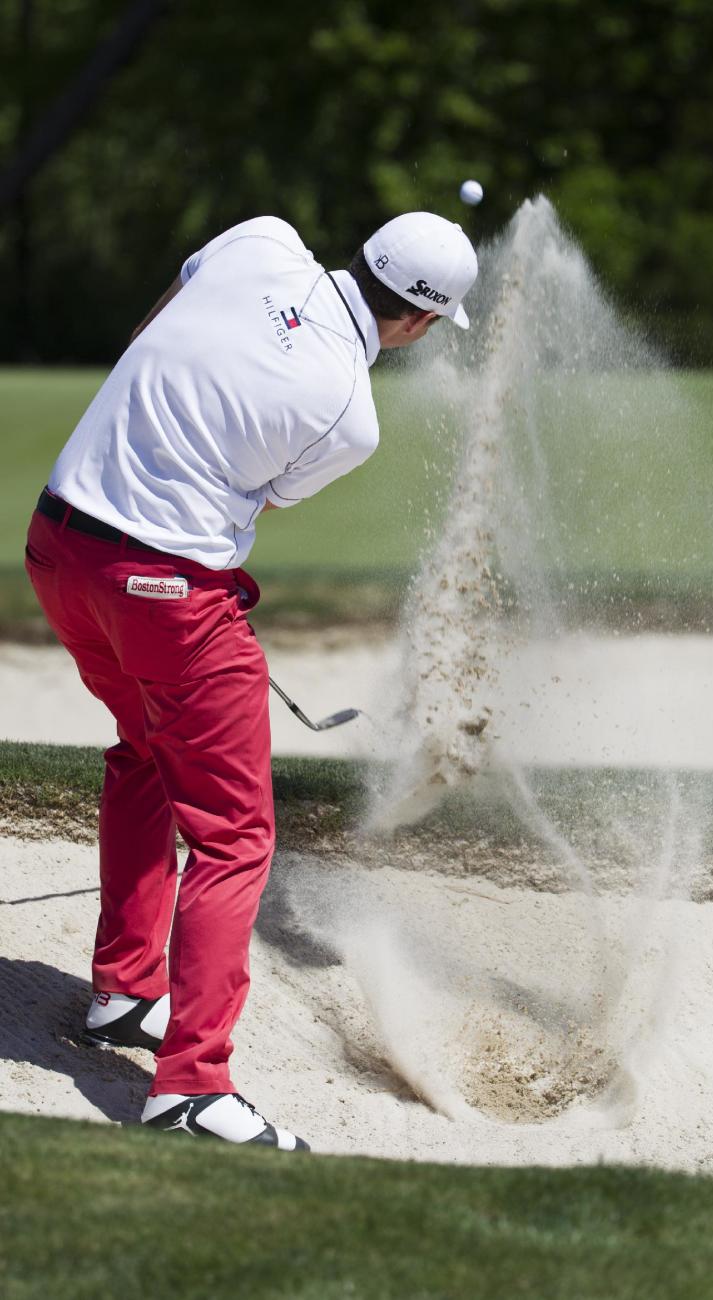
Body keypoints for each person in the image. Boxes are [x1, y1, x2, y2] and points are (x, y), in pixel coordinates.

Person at [25, 212, 478, 1149]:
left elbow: (158, 324)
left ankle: (121, 992)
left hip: (58, 543)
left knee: (146, 751)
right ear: (420, 325)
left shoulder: (260, 239)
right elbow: (262, 489)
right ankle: (191, 1087)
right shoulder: (350, 416)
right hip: (167, 593)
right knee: (235, 835)